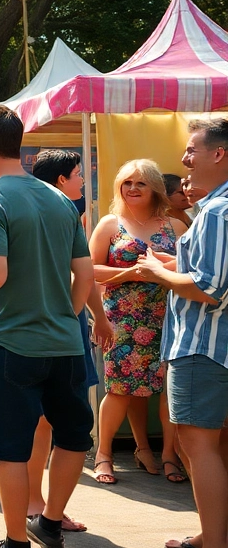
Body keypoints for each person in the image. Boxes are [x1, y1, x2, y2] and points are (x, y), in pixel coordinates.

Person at [0, 105, 94, 548]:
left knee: (11, 448)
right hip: (65, 343)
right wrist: (63, 317)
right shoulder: (59, 200)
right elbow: (85, 276)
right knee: (73, 438)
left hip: (13, 344)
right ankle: (50, 524)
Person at [134, 117, 228, 548]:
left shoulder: (215, 210)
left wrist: (159, 272)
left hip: (201, 346)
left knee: (197, 446)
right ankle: (213, 536)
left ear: (219, 153)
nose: (185, 160)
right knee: (216, 447)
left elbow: (209, 287)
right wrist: (176, 262)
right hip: (217, 347)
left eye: (192, 150)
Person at [89, 159, 186, 486]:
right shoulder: (109, 224)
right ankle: (104, 454)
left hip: (169, 319)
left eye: (140, 183)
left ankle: (169, 454)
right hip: (121, 321)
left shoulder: (176, 227)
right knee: (119, 389)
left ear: (155, 188)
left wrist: (165, 270)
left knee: (168, 392)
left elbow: (192, 273)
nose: (132, 189)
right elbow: (89, 271)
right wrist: (129, 273)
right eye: (126, 182)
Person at [29, 149, 104, 532]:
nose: (82, 181)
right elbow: (85, 276)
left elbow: (84, 274)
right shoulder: (64, 216)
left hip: (47, 327)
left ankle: (41, 507)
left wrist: (96, 317)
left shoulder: (36, 213)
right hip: (58, 330)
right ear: (61, 180)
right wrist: (78, 316)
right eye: (78, 174)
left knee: (46, 422)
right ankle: (39, 507)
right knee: (52, 422)